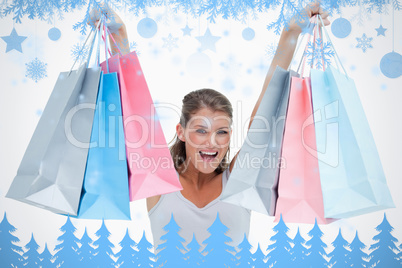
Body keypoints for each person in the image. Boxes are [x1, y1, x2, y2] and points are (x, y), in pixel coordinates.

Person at [90, 2, 330, 251]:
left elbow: (264, 121)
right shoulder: (159, 180)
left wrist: (290, 33)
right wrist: (118, 34)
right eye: (201, 131)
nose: (212, 142)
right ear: (181, 132)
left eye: (221, 132)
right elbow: (132, 108)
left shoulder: (238, 182)